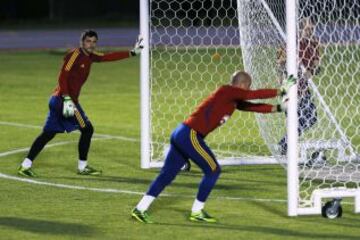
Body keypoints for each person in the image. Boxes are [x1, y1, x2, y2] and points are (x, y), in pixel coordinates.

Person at [131, 71, 294, 224]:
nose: (249, 89)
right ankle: (197, 211)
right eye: (248, 86)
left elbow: (252, 106)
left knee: (167, 175)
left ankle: (140, 208)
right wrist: (280, 91)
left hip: (182, 134)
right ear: (243, 84)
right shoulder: (227, 90)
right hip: (190, 135)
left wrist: (278, 108)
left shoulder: (232, 100)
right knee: (213, 170)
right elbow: (251, 95)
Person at [17, 30, 143, 177]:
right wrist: (67, 98)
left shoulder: (90, 56)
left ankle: (25, 166)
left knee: (48, 134)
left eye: (94, 42)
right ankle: (82, 167)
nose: (91, 44)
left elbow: (108, 56)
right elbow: (62, 76)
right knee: (87, 129)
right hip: (63, 100)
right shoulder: (75, 55)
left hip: (60, 100)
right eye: (88, 41)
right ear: (82, 42)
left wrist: (133, 52)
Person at [277, 17, 321, 156]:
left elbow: (316, 65)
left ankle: (285, 143)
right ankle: (286, 145)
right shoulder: (289, 43)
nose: (310, 32)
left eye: (312, 29)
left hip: (304, 88)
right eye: (308, 29)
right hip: (288, 86)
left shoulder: (314, 44)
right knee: (294, 119)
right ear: (300, 29)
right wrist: (285, 86)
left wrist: (311, 71)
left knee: (311, 118)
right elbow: (279, 65)